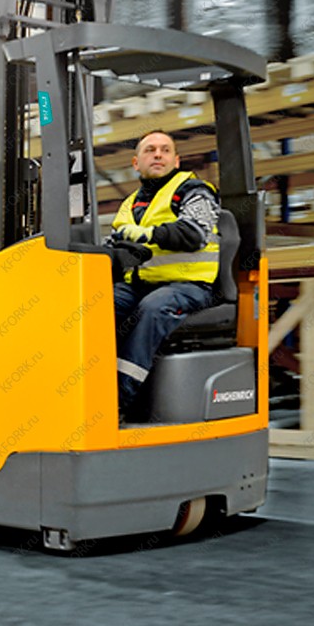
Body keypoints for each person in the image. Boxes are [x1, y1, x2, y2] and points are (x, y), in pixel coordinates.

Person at [110, 130, 220, 419]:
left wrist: (147, 235)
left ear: (176, 160)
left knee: (152, 308)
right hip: (140, 285)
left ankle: (118, 400)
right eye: (150, 150)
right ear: (136, 162)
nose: (158, 154)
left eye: (165, 150)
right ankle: (82, 386)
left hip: (189, 286)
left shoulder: (194, 190)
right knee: (95, 306)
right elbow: (116, 245)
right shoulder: (129, 204)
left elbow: (194, 233)